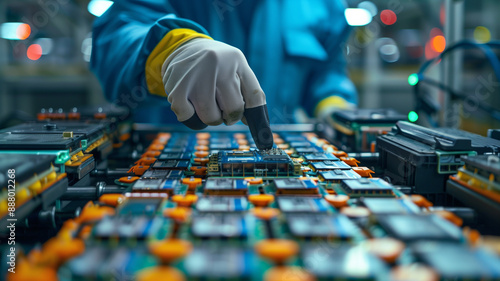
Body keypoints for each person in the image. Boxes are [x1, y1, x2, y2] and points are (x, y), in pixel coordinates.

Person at [91, 0, 357, 128]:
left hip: (277, 156)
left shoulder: (323, 5)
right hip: (168, 160)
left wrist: (333, 105)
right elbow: (116, 41)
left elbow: (326, 72)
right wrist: (172, 48)